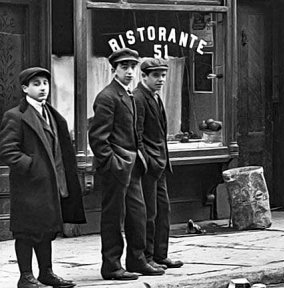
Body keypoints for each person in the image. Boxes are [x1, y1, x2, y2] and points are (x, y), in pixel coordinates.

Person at [0, 67, 86, 288]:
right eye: (36, 84)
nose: (42, 88)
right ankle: (25, 276)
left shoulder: (52, 114)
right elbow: (7, 150)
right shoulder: (15, 116)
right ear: (25, 88)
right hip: (29, 186)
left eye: (45, 83)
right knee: (26, 232)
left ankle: (46, 273)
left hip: (51, 185)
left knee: (47, 229)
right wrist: (32, 166)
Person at [88, 48, 165, 280]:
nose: (130, 72)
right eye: (124, 67)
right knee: (113, 217)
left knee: (138, 214)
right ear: (114, 70)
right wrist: (113, 163)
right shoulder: (107, 96)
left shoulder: (128, 95)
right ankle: (111, 265)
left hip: (132, 167)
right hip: (116, 168)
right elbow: (98, 138)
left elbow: (134, 132)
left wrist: (137, 159)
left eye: (132, 67)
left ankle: (137, 260)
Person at [134, 58, 183, 270]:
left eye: (163, 75)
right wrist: (148, 161)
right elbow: (137, 136)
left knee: (163, 211)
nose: (161, 79)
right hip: (149, 167)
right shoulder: (139, 98)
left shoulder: (154, 97)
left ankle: (160, 255)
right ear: (143, 76)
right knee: (149, 213)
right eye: (156, 75)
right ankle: (147, 257)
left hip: (160, 164)